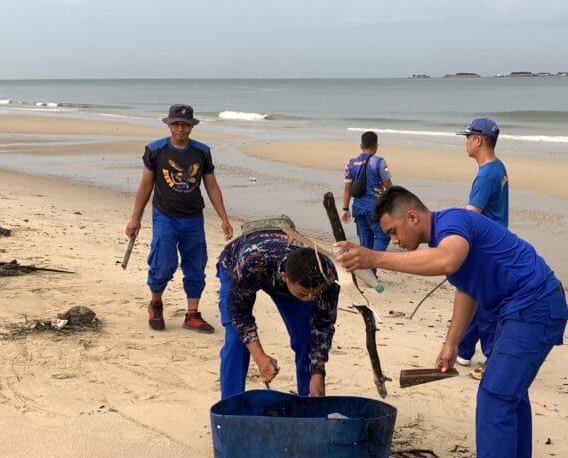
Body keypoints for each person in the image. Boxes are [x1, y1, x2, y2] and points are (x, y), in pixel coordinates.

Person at [335, 186, 568, 458]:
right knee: (507, 390)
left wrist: (374, 258)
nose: (393, 241)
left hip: (534, 307)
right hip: (516, 308)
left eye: (394, 232)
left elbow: (448, 263)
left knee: (495, 398)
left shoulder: (453, 224)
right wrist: (451, 342)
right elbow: (466, 287)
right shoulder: (444, 236)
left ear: (412, 217)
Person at [125, 104, 232, 332]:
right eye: (176, 124)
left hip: (193, 218)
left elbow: (211, 185)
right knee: (163, 264)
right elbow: (146, 185)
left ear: (192, 127)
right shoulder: (155, 150)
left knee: (195, 266)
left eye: (185, 125)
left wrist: (224, 218)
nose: (180, 129)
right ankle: (156, 304)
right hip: (165, 216)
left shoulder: (201, 151)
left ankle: (192, 315)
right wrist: (135, 218)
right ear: (169, 125)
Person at [216, 229, 340, 398]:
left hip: (284, 270)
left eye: (314, 293)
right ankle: (230, 408)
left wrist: (318, 372)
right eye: (303, 294)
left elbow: (323, 325)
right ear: (284, 277)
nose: (308, 299)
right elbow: (239, 314)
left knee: (307, 335)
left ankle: (310, 403)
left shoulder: (327, 275)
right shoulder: (252, 262)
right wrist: (259, 357)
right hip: (239, 266)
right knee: (237, 340)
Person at [455, 117, 509, 379]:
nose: (465, 143)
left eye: (468, 138)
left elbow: (473, 215)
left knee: (486, 306)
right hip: (493, 241)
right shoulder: (496, 167)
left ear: (478, 140)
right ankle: (464, 350)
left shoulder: (487, 174)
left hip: (487, 248)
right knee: (473, 297)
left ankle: (493, 362)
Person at [341, 131, 393, 255]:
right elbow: (388, 186)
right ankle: (372, 267)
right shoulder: (379, 162)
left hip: (358, 208)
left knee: (365, 242)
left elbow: (347, 187)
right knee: (383, 236)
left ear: (361, 146)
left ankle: (368, 270)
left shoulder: (351, 163)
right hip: (375, 208)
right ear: (376, 146)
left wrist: (345, 208)